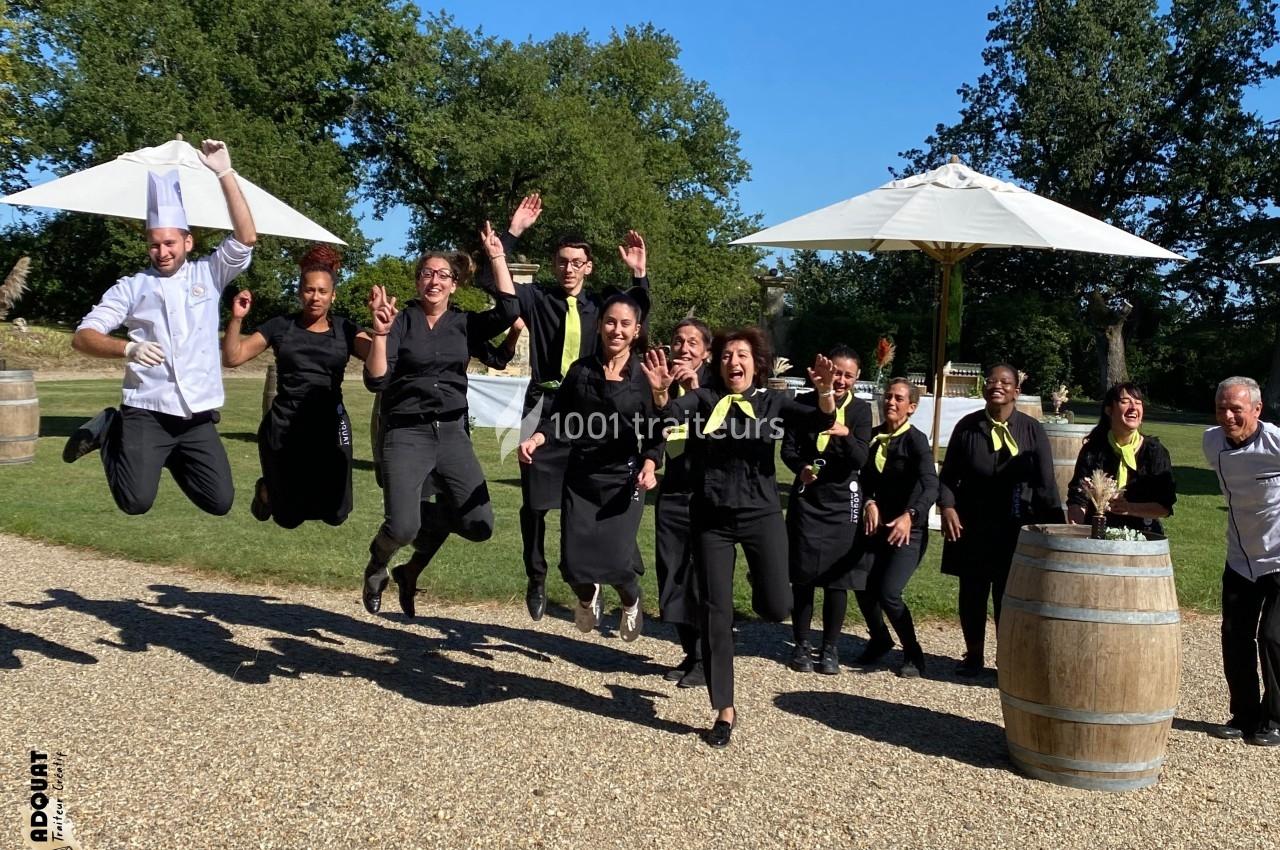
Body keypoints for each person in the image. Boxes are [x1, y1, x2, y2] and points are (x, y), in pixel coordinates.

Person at [642, 330, 836, 749]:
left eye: (742, 354)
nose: (734, 361)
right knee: (715, 613)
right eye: (727, 354)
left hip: (761, 515)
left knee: (777, 606)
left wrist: (824, 393)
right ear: (719, 363)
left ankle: (761, 579)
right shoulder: (705, 400)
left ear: (756, 363)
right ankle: (724, 710)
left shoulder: (772, 402)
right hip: (711, 519)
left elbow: (818, 420)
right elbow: (669, 419)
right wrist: (661, 396)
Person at [63, 140, 257, 516]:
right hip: (145, 412)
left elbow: (247, 236)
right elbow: (82, 337)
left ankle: (156, 459)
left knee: (219, 501)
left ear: (188, 241)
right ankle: (111, 430)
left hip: (195, 416)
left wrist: (224, 173)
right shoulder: (132, 287)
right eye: (154, 244)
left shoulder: (210, 273)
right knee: (135, 501)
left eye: (170, 242)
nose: (162, 251)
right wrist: (127, 349)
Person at [481, 194, 649, 621]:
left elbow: (636, 315)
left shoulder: (601, 309)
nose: (569, 268)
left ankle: (616, 570)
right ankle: (536, 577)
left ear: (588, 267)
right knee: (536, 505)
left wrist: (639, 274)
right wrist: (511, 236)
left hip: (591, 408)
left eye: (577, 262)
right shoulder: (540, 300)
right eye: (562, 261)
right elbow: (495, 288)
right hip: (543, 404)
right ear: (554, 264)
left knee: (604, 490)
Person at [360, 222, 518, 619]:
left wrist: (498, 255)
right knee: (401, 529)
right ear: (417, 281)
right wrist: (380, 334)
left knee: (479, 524)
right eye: (427, 273)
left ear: (454, 284)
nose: (434, 280)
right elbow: (376, 379)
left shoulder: (464, 324)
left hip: (451, 433)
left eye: (443, 275)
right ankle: (377, 565)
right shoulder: (400, 321)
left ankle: (409, 559)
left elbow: (510, 310)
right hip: (406, 432)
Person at [518, 291, 658, 641]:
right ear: (599, 326)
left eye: (626, 324)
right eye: (610, 322)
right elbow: (559, 416)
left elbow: (657, 428)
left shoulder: (643, 376)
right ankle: (587, 596)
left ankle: (631, 600)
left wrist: (652, 463)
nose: (617, 329)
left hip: (623, 479)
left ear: (637, 330)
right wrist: (539, 438)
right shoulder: (581, 371)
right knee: (574, 564)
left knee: (617, 562)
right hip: (580, 477)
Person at [221, 245, 376, 528]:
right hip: (285, 423)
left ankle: (276, 488)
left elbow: (379, 360)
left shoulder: (345, 329)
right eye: (309, 290)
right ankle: (267, 491)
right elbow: (232, 357)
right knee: (288, 519)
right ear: (299, 292)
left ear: (333, 295)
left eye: (322, 291)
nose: (315, 297)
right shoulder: (280, 326)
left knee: (336, 514)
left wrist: (381, 326)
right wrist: (237, 319)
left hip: (330, 423)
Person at [938, 363, 1062, 676]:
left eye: (1005, 382)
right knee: (972, 592)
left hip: (1015, 524)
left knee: (1009, 594)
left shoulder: (1032, 429)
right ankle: (974, 655)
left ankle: (1007, 659)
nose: (998, 386)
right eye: (992, 381)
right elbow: (949, 475)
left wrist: (1056, 527)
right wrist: (948, 508)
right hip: (973, 523)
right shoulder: (967, 427)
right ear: (984, 388)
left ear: (1016, 391)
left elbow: (1046, 482)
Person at [781, 345, 872, 675]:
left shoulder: (861, 412)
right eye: (837, 373)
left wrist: (846, 435)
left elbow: (860, 460)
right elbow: (788, 450)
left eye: (848, 375)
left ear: (857, 377)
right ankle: (802, 645)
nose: (841, 380)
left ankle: (830, 648)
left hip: (842, 498)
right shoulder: (802, 404)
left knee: (837, 578)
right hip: (809, 495)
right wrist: (801, 466)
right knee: (803, 575)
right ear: (825, 371)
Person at [1203, 376, 1280, 747]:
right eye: (1222, 408)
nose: (1229, 416)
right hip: (1240, 556)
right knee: (1235, 636)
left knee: (1273, 637)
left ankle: (1276, 719)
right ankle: (1244, 714)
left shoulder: (1276, 441)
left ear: (1257, 409)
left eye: (1237, 409)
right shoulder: (1211, 442)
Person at [855, 378, 938, 678]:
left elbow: (931, 485)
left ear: (911, 407)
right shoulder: (874, 437)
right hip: (877, 526)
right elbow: (862, 480)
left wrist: (910, 515)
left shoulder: (915, 441)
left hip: (908, 529)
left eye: (899, 399)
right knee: (862, 585)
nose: (890, 402)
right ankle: (879, 639)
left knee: (889, 592)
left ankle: (913, 653)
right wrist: (868, 502)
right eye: (888, 397)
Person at [648, 318, 714, 687]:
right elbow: (653, 428)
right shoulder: (663, 384)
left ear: (705, 351)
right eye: (678, 341)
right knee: (671, 573)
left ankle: (707, 657)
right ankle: (690, 651)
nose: (684, 349)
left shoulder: (717, 385)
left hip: (708, 493)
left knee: (701, 577)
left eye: (692, 343)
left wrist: (696, 389)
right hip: (673, 490)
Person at [1066, 382, 1175, 534]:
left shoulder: (1154, 452)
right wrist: (1076, 529)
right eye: (1125, 402)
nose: (1133, 407)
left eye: (1138, 403)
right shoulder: (1094, 449)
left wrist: (1129, 508)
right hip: (1097, 536)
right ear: (1109, 410)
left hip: (1143, 537)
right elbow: (1078, 497)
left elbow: (1164, 507)